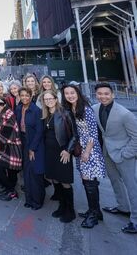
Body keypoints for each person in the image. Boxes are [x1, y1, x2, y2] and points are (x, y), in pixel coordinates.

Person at [92, 82, 137, 234]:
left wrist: (126, 153)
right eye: (99, 94)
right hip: (108, 153)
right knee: (114, 180)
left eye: (106, 93)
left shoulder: (124, 114)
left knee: (132, 186)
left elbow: (136, 136)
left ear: (113, 94)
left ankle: (135, 220)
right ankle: (123, 207)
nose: (103, 96)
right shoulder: (95, 108)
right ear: (96, 95)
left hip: (124, 154)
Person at [62, 84, 105, 228]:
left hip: (90, 149)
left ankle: (93, 215)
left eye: (72, 93)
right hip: (81, 148)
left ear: (78, 93)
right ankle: (95, 211)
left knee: (89, 181)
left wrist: (87, 151)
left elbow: (93, 133)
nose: (70, 95)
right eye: (67, 93)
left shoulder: (86, 109)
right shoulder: (71, 108)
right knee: (87, 180)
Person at [42, 90, 78, 223]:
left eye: (50, 98)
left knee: (64, 181)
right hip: (49, 152)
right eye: (46, 99)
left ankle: (70, 210)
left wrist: (68, 150)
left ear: (56, 99)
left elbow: (75, 135)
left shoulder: (65, 113)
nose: (48, 101)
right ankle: (62, 206)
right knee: (55, 179)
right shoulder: (46, 115)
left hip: (62, 152)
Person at [15, 88, 45, 210]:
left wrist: (32, 148)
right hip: (23, 141)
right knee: (26, 172)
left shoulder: (36, 110)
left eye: (27, 95)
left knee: (35, 173)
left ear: (31, 96)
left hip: (34, 144)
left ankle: (37, 201)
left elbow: (39, 131)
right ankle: (29, 199)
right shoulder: (18, 108)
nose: (24, 98)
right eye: (22, 95)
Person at [0, 94, 22, 200]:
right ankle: (9, 189)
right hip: (4, 145)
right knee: (6, 169)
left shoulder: (9, 114)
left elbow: (5, 136)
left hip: (13, 147)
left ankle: (12, 191)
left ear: (6, 104)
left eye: (1, 103)